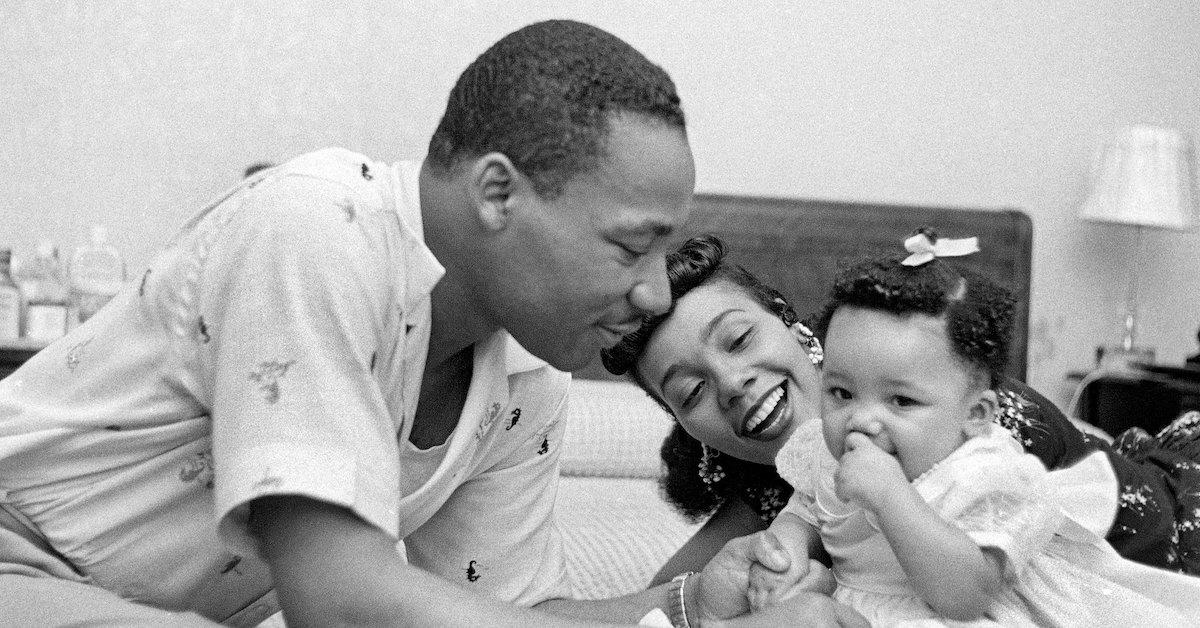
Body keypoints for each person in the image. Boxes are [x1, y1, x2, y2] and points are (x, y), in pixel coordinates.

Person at [0, 20, 855, 628]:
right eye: (634, 247)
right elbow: (342, 603)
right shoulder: (318, 228)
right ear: (496, 192)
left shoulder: (527, 376)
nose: (656, 295)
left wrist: (687, 608)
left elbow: (510, 616)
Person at [601, 233, 1200, 585]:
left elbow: (974, 589)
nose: (732, 382)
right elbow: (664, 601)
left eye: (738, 339)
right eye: (691, 393)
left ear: (793, 325)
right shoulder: (778, 484)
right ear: (682, 425)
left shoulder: (973, 431)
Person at [745, 236, 1200, 624]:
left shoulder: (987, 476)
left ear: (977, 415)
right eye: (841, 393)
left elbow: (965, 595)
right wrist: (789, 543)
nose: (861, 420)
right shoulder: (828, 454)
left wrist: (890, 499)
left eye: (901, 400)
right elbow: (809, 505)